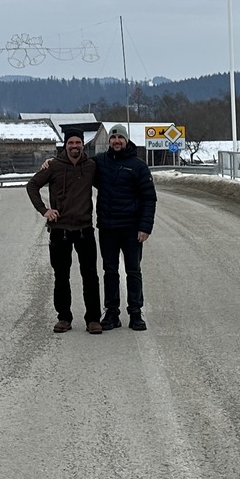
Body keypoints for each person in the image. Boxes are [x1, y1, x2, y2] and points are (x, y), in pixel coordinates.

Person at [26, 129, 101, 334]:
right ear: (65, 145)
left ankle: (93, 319)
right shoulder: (54, 166)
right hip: (60, 231)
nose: (74, 146)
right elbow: (32, 186)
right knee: (61, 276)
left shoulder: (91, 166)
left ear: (83, 144)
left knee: (90, 276)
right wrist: (44, 210)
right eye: (71, 143)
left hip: (85, 230)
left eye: (78, 142)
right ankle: (64, 318)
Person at [93, 124, 157, 331]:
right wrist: (53, 161)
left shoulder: (138, 166)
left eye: (120, 137)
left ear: (126, 140)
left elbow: (149, 198)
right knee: (110, 271)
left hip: (131, 228)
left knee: (133, 271)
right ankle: (112, 313)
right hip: (107, 228)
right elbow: (77, 164)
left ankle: (135, 313)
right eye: (113, 138)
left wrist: (145, 227)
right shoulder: (99, 162)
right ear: (109, 141)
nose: (116, 141)